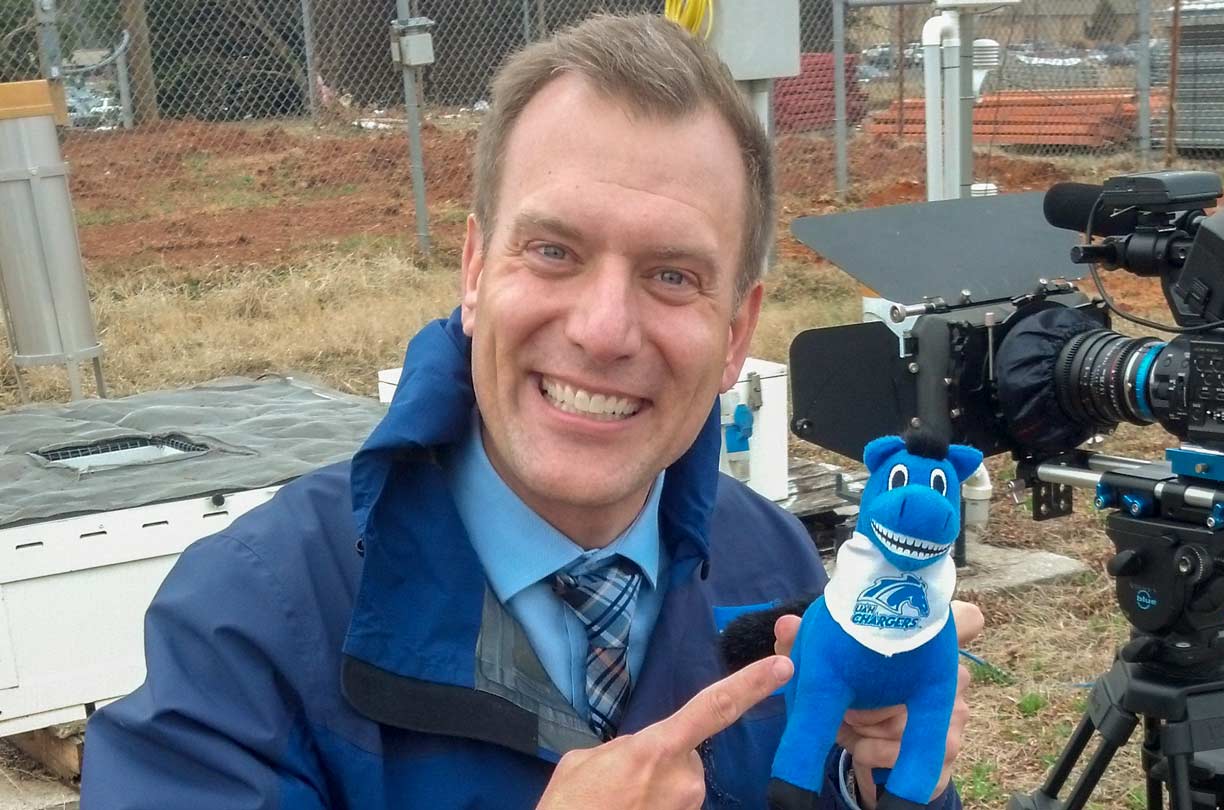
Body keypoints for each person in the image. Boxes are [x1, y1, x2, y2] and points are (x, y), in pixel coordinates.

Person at [79, 13, 982, 810]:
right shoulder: (253, 625)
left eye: (672, 275)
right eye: (554, 251)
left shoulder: (770, 562)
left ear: (737, 330)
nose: (602, 329)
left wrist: (877, 790)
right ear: (475, 273)